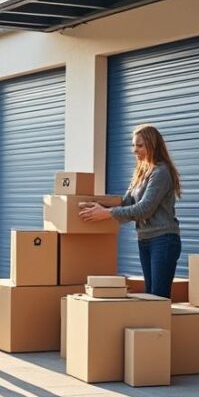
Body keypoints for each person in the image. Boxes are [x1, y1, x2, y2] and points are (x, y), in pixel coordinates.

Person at [79, 124, 182, 299]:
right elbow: (126, 202)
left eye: (139, 145)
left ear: (152, 145)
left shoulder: (161, 172)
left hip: (163, 240)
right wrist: (95, 202)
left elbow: (144, 209)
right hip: (145, 239)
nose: (134, 150)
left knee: (158, 297)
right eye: (133, 145)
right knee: (151, 297)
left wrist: (107, 213)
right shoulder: (141, 172)